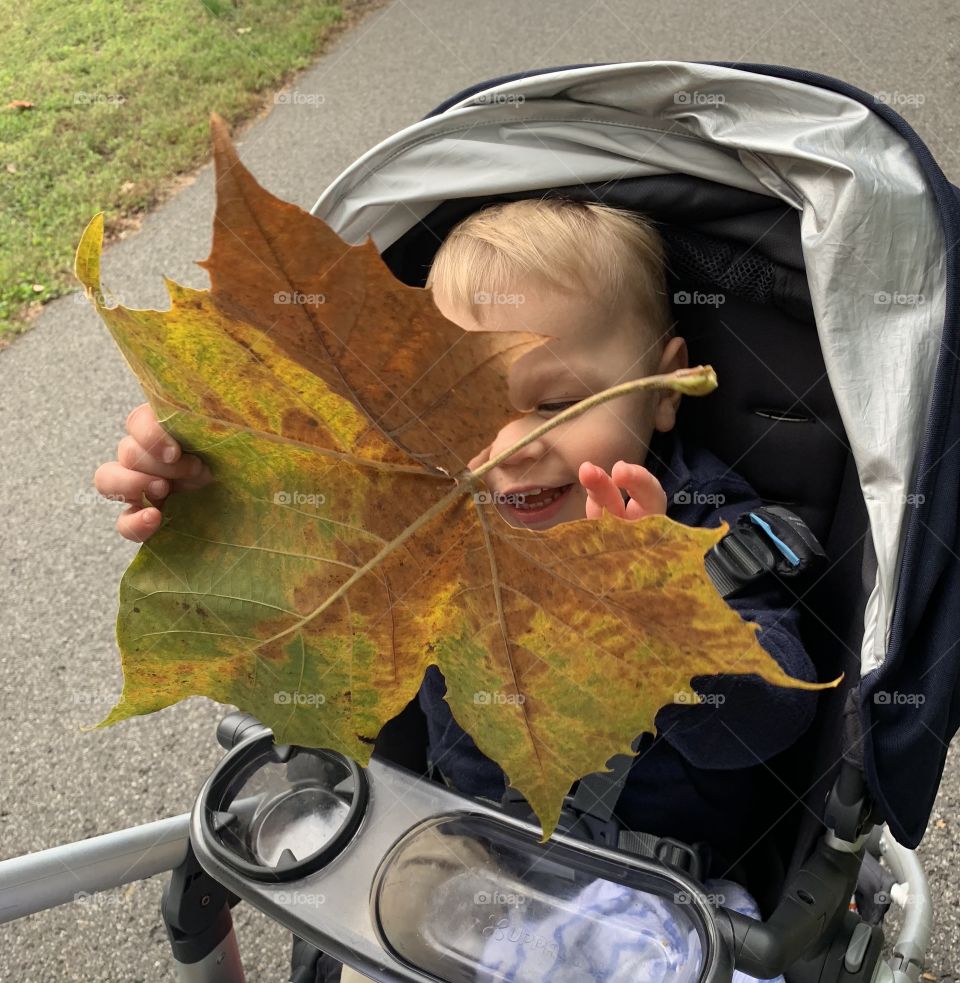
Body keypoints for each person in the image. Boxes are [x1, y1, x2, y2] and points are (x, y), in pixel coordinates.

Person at [93, 198, 816, 982]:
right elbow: (294, 599)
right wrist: (212, 498)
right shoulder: (411, 522)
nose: (508, 449)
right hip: (458, 859)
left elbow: (773, 718)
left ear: (667, 384)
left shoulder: (711, 533)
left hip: (661, 901)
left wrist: (663, 624)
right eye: (464, 410)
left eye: (553, 405)